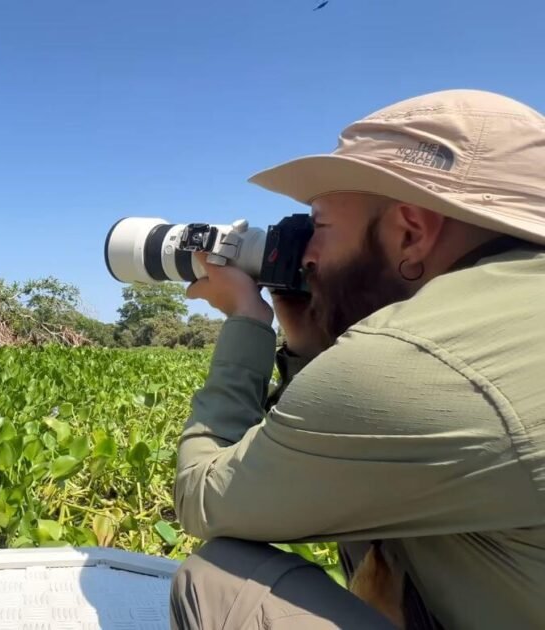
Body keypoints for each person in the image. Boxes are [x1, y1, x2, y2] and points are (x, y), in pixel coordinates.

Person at [169, 88, 545, 630]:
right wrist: (304, 345)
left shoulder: (415, 359)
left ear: (411, 232)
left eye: (317, 226)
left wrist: (247, 322)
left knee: (217, 579)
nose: (308, 256)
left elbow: (203, 497)